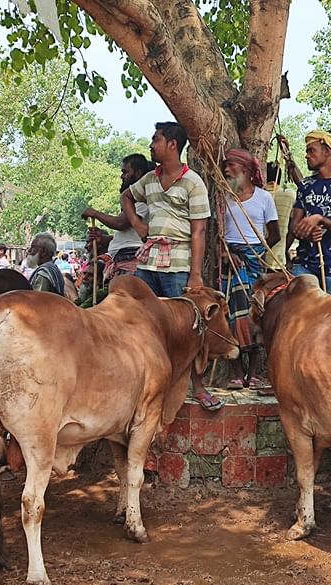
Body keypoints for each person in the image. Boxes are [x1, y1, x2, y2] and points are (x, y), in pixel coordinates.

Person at [119, 121, 218, 411]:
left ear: (172, 144)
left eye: (156, 140)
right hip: (148, 261)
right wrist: (137, 224)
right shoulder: (150, 178)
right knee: (139, 321)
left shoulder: (193, 182)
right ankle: (140, 382)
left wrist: (196, 274)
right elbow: (127, 196)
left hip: (178, 263)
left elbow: (199, 231)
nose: (151, 145)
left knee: (189, 327)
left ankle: (198, 387)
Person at [221, 148, 280, 390]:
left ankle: (253, 374)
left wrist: (256, 253)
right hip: (230, 262)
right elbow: (219, 236)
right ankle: (237, 373)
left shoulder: (264, 198)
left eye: (231, 166)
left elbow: (274, 233)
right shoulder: (223, 198)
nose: (226, 170)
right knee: (230, 316)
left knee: (255, 314)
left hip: (254, 260)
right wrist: (227, 254)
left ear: (244, 170)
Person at [285, 130, 331, 298]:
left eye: (311, 150)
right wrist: (307, 232)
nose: (307, 155)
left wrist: (321, 220)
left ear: (327, 152)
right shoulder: (306, 185)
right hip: (302, 267)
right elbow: (294, 227)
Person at [81, 153, 153, 283]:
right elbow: (128, 234)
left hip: (131, 259)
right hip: (121, 259)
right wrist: (104, 238)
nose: (122, 176)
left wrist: (95, 213)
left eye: (125, 172)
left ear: (137, 173)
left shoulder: (143, 200)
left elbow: (121, 223)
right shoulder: (134, 202)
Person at [263, 161, 296, 271]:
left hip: (255, 257)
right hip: (278, 258)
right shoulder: (289, 195)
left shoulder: (257, 194)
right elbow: (292, 229)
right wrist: (284, 249)